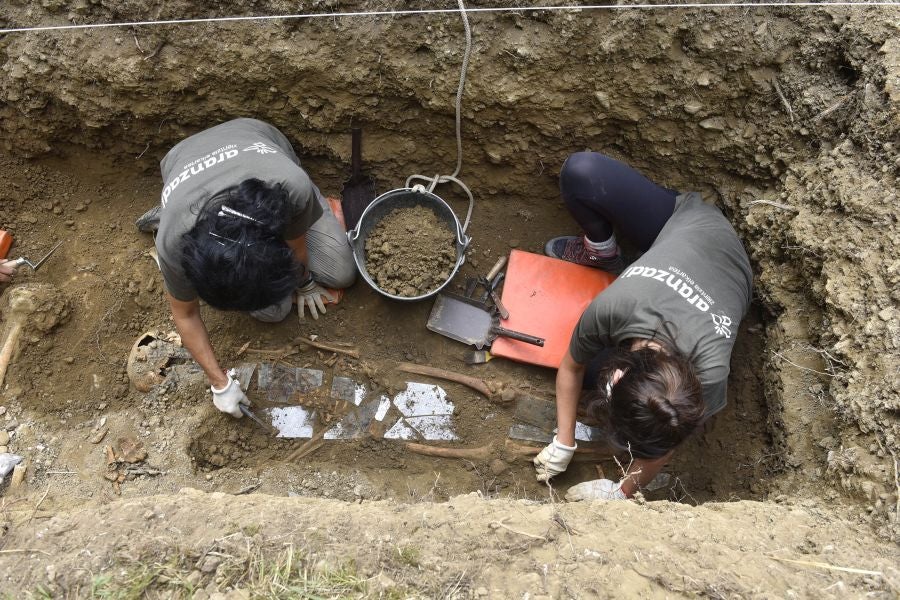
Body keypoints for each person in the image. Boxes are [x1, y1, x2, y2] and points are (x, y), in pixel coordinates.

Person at [534, 151, 752, 501]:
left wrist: (622, 491)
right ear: (619, 375)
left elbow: (667, 440)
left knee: (593, 375)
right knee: (582, 171)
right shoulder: (613, 307)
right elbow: (570, 366)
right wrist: (564, 438)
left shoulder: (708, 377)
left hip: (711, 255)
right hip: (685, 225)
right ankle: (603, 254)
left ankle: (634, 257)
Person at [136, 118, 356, 419]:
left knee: (342, 272)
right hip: (184, 164)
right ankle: (166, 209)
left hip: (257, 148)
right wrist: (219, 384)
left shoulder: (288, 189)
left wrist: (303, 282)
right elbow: (185, 314)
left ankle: (314, 205)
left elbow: (297, 249)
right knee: (272, 312)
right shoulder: (175, 243)